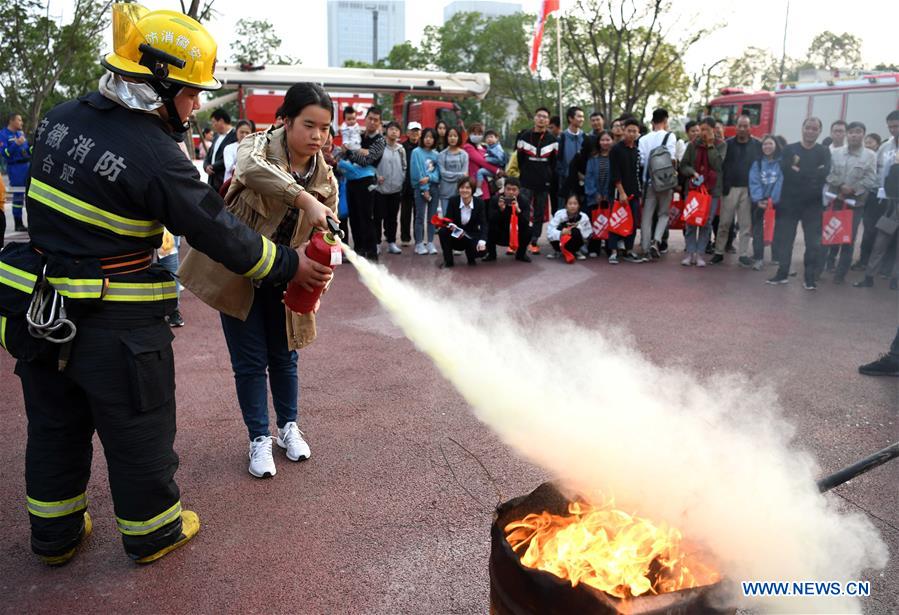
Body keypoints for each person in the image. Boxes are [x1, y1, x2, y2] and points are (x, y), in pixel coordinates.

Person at [2, 5, 333, 567]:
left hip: (39, 311)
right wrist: (287, 267)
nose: (198, 104)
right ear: (157, 84)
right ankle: (154, 532)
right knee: (139, 429)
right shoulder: (153, 153)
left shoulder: (58, 119)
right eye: (190, 92)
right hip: (116, 325)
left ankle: (54, 537)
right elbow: (217, 229)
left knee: (55, 426)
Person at [181, 81, 338, 479]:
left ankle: (288, 428)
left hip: (290, 279)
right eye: (308, 125)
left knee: (285, 358)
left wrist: (319, 285)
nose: (317, 136)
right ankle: (259, 438)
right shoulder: (255, 146)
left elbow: (327, 244)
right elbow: (252, 171)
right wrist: (304, 199)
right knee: (249, 362)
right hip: (240, 271)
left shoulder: (328, 181)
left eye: (325, 128)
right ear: (284, 120)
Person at [767, 117, 830, 289]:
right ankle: (782, 273)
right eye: (808, 128)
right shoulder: (789, 149)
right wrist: (811, 172)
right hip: (789, 203)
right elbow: (785, 169)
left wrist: (800, 170)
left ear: (819, 132)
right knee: (785, 240)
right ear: (802, 129)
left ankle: (809, 278)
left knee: (813, 243)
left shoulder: (824, 151)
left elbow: (825, 172)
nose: (810, 131)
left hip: (813, 204)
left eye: (814, 129)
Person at [824, 121, 877, 283]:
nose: (854, 135)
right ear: (847, 134)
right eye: (851, 132)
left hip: (856, 205)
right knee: (830, 235)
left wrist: (853, 189)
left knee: (848, 239)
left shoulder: (870, 155)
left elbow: (871, 179)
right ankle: (823, 267)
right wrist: (841, 186)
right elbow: (829, 173)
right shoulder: (835, 153)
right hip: (837, 201)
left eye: (858, 132)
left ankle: (840, 275)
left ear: (863, 134)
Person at [712, 114, 762, 266]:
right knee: (724, 223)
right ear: (735, 127)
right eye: (739, 126)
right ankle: (718, 252)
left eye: (745, 126)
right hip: (730, 188)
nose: (742, 129)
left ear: (750, 128)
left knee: (745, 225)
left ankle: (743, 254)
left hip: (748, 190)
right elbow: (719, 166)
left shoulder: (757, 145)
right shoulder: (727, 144)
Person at [854, 126, 899, 289]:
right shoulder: (887, 149)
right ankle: (869, 277)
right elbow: (880, 175)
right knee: (880, 241)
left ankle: (895, 280)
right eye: (891, 126)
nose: (894, 129)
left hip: (891, 203)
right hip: (888, 204)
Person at [679, 117, 726, 267]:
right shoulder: (693, 145)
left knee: (706, 222)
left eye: (706, 129)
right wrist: (693, 172)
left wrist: (710, 146)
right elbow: (683, 165)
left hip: (712, 190)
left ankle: (700, 253)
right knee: (691, 221)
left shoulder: (721, 145)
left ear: (713, 129)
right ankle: (690, 253)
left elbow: (718, 165)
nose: (702, 133)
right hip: (693, 189)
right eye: (701, 129)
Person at [343, 106, 385, 260]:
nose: (372, 122)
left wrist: (350, 152)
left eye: (376, 120)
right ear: (365, 119)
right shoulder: (358, 135)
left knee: (367, 217)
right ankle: (359, 249)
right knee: (353, 217)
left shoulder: (380, 141)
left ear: (379, 123)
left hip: (367, 182)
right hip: (351, 181)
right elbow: (348, 152)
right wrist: (356, 152)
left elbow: (367, 160)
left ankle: (371, 252)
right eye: (370, 118)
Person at [516, 107, 558, 254]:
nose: (542, 119)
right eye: (539, 116)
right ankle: (521, 239)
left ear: (548, 121)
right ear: (534, 118)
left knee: (539, 213)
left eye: (545, 117)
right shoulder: (523, 136)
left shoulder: (553, 140)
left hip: (543, 182)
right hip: (526, 181)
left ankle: (534, 240)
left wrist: (548, 177)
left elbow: (554, 163)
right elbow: (519, 160)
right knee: (523, 210)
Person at [637, 108, 677, 260]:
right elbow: (672, 159)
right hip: (666, 182)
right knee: (663, 214)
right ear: (665, 121)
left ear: (652, 122)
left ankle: (646, 247)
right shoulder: (670, 136)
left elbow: (640, 162)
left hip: (649, 182)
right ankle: (657, 241)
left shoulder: (643, 139)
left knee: (647, 216)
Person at [608, 118, 644, 264]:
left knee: (633, 222)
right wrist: (621, 192)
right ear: (624, 131)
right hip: (619, 193)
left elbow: (637, 174)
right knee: (616, 220)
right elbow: (615, 173)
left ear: (638, 133)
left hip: (634, 193)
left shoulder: (636, 150)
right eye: (629, 130)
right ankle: (613, 251)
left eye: (635, 131)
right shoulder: (616, 149)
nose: (632, 134)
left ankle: (629, 250)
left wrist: (639, 193)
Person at [748, 134, 784, 270]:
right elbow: (754, 182)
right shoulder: (757, 163)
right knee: (758, 231)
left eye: (770, 144)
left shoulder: (781, 163)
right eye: (765, 144)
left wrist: (773, 200)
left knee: (776, 230)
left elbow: (780, 182)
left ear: (776, 146)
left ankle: (777, 257)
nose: (767, 147)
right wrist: (758, 199)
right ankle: (758, 258)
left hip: (776, 203)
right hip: (760, 203)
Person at [373, 121, 407, 255]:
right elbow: (372, 165)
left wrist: (401, 180)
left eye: (397, 130)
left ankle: (391, 242)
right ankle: (376, 243)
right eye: (392, 129)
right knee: (378, 217)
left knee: (392, 217)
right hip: (380, 189)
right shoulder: (380, 147)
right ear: (386, 131)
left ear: (399, 133)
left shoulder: (401, 149)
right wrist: (376, 177)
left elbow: (404, 167)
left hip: (395, 189)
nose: (394, 132)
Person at [437, 176, 486, 267]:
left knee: (482, 251)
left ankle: (471, 257)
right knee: (442, 232)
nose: (464, 190)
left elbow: (483, 223)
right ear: (458, 189)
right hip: (456, 234)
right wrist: (450, 225)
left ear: (473, 189)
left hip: (471, 235)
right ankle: (448, 261)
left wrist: (482, 241)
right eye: (462, 187)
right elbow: (448, 219)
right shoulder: (453, 200)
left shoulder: (479, 203)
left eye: (468, 188)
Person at [484, 177, 531, 262]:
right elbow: (490, 219)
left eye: (514, 190)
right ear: (504, 189)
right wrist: (500, 210)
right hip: (500, 233)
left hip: (516, 233)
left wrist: (518, 211)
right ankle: (491, 254)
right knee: (488, 228)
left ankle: (521, 254)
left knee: (529, 230)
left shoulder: (524, 201)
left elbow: (526, 222)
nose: (511, 192)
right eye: (508, 189)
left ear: (519, 191)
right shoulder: (495, 199)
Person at [410, 127, 441, 255]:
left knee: (432, 217)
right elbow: (416, 172)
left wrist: (430, 178)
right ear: (422, 138)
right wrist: (424, 189)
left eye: (431, 137)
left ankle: (430, 242)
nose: (429, 139)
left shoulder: (437, 155)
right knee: (420, 216)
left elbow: (438, 174)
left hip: (434, 188)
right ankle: (418, 243)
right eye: (426, 137)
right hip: (420, 189)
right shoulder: (416, 152)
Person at [583, 130, 614, 256]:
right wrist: (594, 193)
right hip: (594, 195)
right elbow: (588, 176)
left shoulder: (615, 157)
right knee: (594, 220)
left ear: (612, 141)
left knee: (609, 221)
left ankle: (609, 247)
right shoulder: (593, 158)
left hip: (609, 195)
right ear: (599, 142)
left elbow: (616, 177)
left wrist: (607, 194)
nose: (605, 142)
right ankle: (594, 248)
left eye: (608, 140)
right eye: (603, 140)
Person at [0, 112, 30, 231]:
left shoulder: (20, 133)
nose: (21, 122)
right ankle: (18, 223)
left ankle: (30, 222)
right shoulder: (3, 135)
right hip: (15, 168)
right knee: (18, 196)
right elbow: (5, 154)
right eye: (19, 120)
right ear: (12, 121)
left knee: (29, 195)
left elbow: (26, 150)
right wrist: (16, 144)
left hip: (27, 165)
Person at [546, 194, 593, 261]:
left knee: (575, 231)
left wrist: (578, 227)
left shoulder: (583, 217)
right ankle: (558, 250)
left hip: (576, 241)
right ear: (566, 205)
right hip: (561, 240)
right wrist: (561, 232)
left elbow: (588, 234)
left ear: (579, 205)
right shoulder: (560, 214)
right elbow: (549, 232)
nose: (572, 206)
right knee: (559, 229)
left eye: (575, 203)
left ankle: (576, 251)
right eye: (570, 204)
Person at [463, 122, 503, 199]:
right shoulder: (468, 147)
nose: (477, 136)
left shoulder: (483, 146)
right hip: (475, 183)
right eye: (474, 133)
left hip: (488, 183)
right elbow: (482, 161)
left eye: (479, 133)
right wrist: (497, 170)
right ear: (469, 134)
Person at [437, 126, 469, 220]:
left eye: (455, 136)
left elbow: (464, 174)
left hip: (460, 192)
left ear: (458, 137)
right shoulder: (441, 154)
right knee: (447, 219)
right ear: (446, 138)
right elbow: (442, 173)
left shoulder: (464, 154)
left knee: (458, 219)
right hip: (445, 192)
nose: (452, 138)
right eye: (450, 136)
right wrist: (459, 175)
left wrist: (450, 175)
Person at [556, 106, 585, 210]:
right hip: (566, 180)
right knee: (564, 209)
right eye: (579, 116)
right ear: (570, 118)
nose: (582, 119)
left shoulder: (584, 137)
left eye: (583, 116)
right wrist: (564, 173)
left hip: (581, 181)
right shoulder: (562, 137)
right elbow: (558, 160)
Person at [399, 121, 421, 245]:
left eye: (417, 131)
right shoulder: (402, 147)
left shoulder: (422, 148)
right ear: (407, 133)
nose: (414, 133)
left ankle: (418, 238)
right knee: (405, 214)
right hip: (406, 185)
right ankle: (405, 238)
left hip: (419, 185)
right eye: (412, 131)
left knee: (418, 214)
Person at [203, 107, 235, 192]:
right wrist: (206, 166)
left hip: (225, 181)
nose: (212, 125)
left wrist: (213, 167)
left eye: (213, 122)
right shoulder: (216, 137)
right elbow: (208, 155)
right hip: (212, 181)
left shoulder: (235, 136)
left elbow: (229, 158)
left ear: (221, 121)